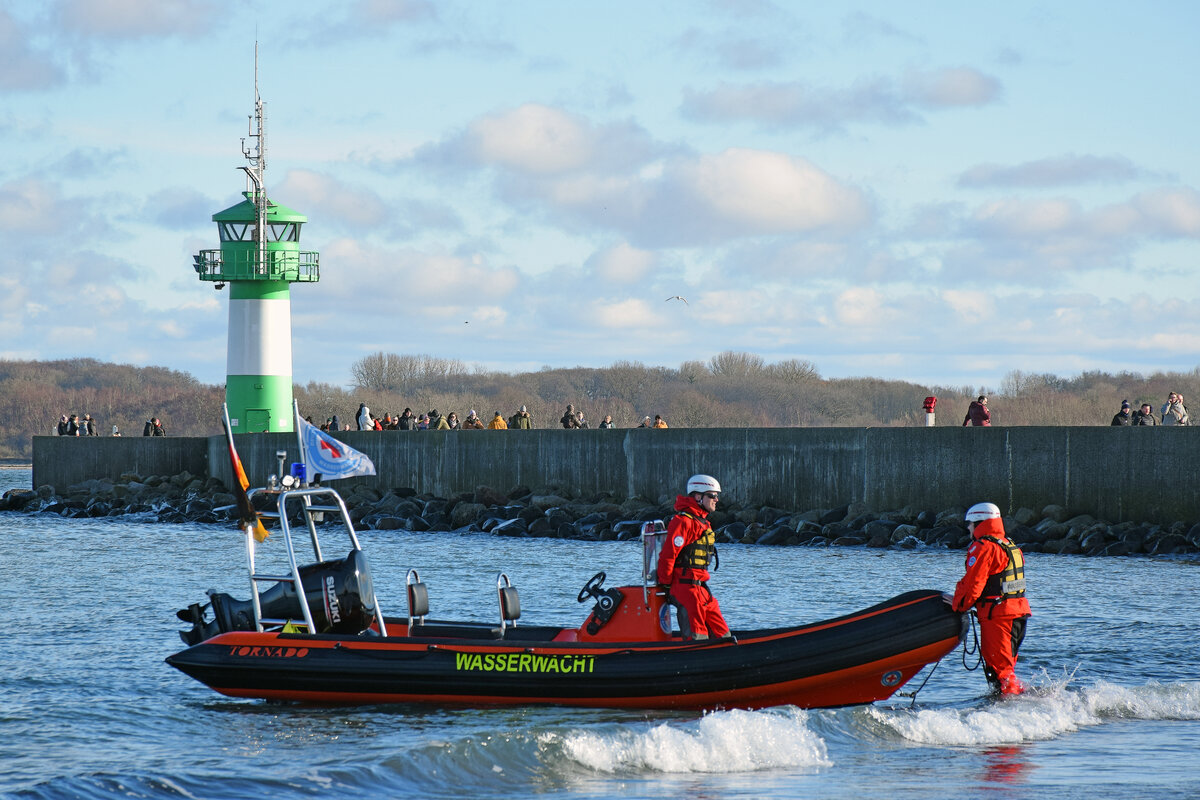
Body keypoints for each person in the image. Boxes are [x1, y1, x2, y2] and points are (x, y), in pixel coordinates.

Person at [951, 502, 1031, 696]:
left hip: (998, 618)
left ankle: (1011, 712)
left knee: (1001, 673)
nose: (968, 528)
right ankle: (1013, 706)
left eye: (970, 524)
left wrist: (957, 606)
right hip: (1017, 615)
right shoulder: (1010, 546)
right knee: (1006, 669)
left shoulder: (983, 548)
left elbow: (973, 586)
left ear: (980, 523)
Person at [656, 474, 729, 640]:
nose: (716, 500)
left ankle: (729, 651)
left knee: (722, 632)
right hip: (685, 588)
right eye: (712, 496)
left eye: (717, 496)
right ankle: (695, 656)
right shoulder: (683, 522)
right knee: (697, 636)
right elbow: (668, 556)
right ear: (698, 497)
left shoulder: (702, 522)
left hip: (701, 587)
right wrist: (666, 585)